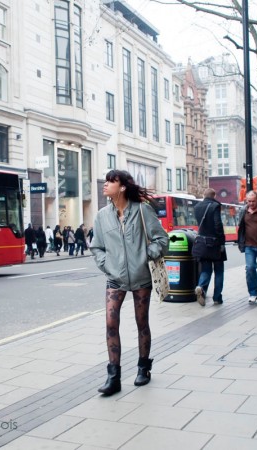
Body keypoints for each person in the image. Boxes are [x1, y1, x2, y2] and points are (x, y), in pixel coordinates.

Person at [90, 169, 168, 396]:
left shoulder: (143, 211)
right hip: (114, 278)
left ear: (122, 187)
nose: (105, 185)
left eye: (110, 182)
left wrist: (146, 255)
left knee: (141, 322)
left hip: (141, 277)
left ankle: (144, 367)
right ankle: (113, 377)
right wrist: (106, 264)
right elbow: (96, 246)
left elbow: (162, 240)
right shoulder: (102, 215)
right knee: (110, 323)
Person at [193, 188, 226, 306]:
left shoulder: (197, 207)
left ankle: (201, 287)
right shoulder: (215, 206)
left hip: (202, 243)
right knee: (219, 271)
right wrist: (222, 241)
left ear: (203, 195)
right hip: (215, 243)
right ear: (214, 196)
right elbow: (218, 224)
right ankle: (217, 297)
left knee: (206, 269)